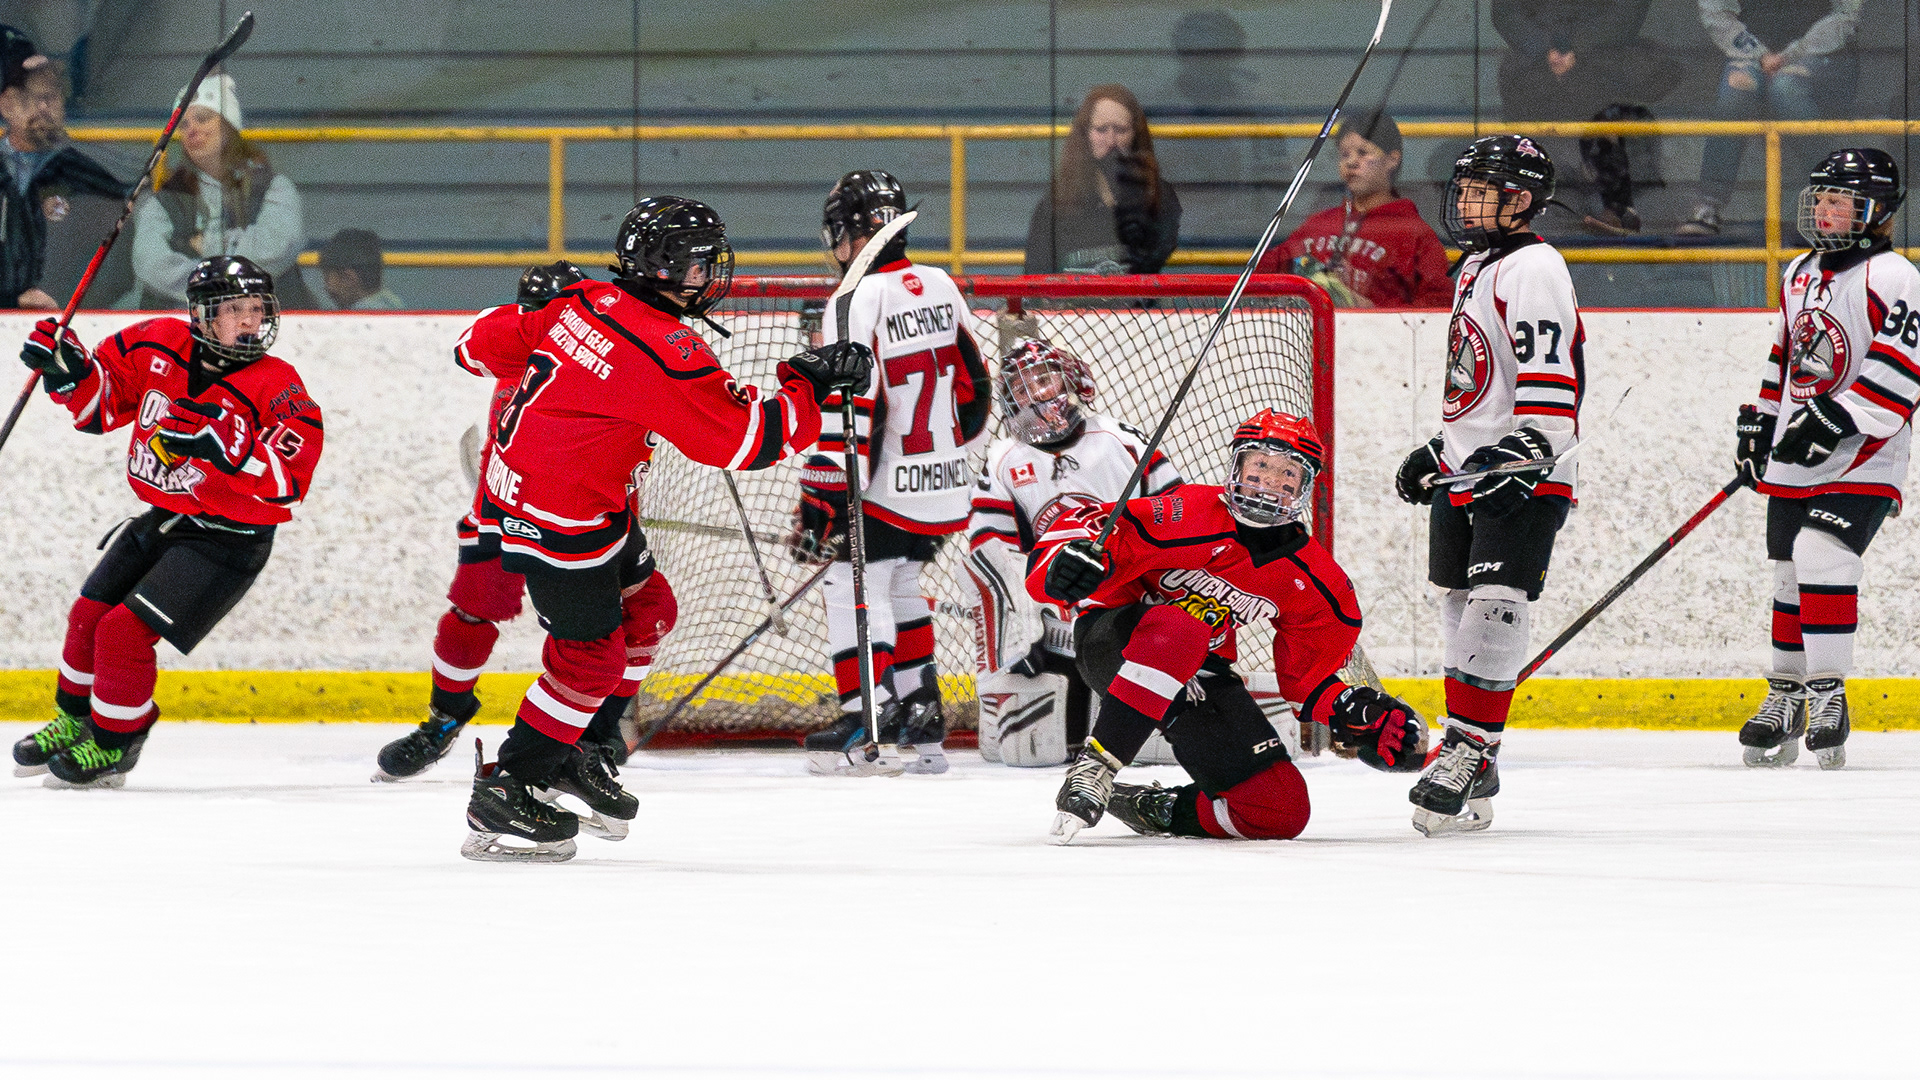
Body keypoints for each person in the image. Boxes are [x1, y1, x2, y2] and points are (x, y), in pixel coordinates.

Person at [451, 195, 870, 862]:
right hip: (560, 518)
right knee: (591, 661)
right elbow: (747, 441)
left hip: (569, 499)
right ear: (674, 270)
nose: (712, 276)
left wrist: (536, 307)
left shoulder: (580, 300)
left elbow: (471, 347)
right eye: (705, 264)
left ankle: (575, 751)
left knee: (650, 610)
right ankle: (511, 784)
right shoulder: (660, 347)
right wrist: (808, 381)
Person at [1028, 409, 1422, 844]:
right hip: (1117, 642)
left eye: (1288, 472)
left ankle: (1155, 808)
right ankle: (1096, 769)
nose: (1271, 480)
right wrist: (1068, 561)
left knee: (1278, 808)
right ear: (1237, 466)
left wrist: (1355, 710)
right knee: (1184, 625)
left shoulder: (1315, 580)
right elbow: (1086, 525)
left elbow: (1306, 679)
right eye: (1261, 464)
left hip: (1200, 674)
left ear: (1305, 487)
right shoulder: (1189, 510)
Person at [9, 256, 324, 787]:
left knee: (122, 635)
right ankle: (75, 718)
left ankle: (116, 741)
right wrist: (67, 370)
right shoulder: (155, 341)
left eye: (257, 309)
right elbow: (99, 406)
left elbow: (288, 484)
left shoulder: (280, 385)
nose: (250, 321)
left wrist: (232, 453)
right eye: (235, 309)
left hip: (229, 538)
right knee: (87, 616)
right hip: (166, 517)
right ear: (201, 315)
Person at [370, 260, 680, 782]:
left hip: (578, 519)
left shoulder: (599, 359)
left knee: (648, 612)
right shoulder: (525, 355)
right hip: (503, 510)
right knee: (473, 612)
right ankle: (445, 719)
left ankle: (598, 730)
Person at [1392, 135, 1583, 837]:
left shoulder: (1534, 266)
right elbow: (1481, 379)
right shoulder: (1478, 263)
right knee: (1460, 598)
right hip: (1470, 465)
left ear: (1522, 200)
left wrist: (1527, 454)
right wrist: (1442, 448)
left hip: (1521, 466)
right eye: (1464, 188)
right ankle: (1477, 748)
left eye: (1481, 190)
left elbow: (1549, 375)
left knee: (1495, 600)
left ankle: (1469, 747)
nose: (1464, 202)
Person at [793, 169, 991, 777]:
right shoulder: (939, 283)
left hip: (882, 480)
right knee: (902, 583)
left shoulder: (852, 299)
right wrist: (952, 461)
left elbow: (858, 406)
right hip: (941, 479)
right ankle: (922, 714)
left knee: (850, 585)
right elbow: (975, 384)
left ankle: (866, 716)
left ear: (855, 233)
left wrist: (826, 495)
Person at [1731, 149, 1914, 771]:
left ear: (1878, 211)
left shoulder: (1895, 277)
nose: (1826, 210)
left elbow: (1902, 368)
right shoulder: (1800, 272)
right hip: (1798, 450)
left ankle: (1828, 692)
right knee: (1788, 571)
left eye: (1842, 200)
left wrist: (1842, 417)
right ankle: (1786, 693)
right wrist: (1760, 420)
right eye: (1822, 198)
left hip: (1866, 452)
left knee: (1821, 554)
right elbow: (1785, 355)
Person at [966, 337, 1183, 766]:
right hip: (1052, 620)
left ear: (1072, 381)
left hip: (1125, 605)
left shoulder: (1120, 441)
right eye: (1021, 389)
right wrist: (1021, 624)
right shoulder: (1004, 458)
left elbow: (1176, 517)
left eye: (1043, 380)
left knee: (1134, 743)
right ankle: (1006, 677)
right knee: (1043, 751)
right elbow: (990, 547)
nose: (1034, 396)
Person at [1490, 1, 1682, 235]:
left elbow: (1627, 11)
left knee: (1652, 218)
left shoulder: (1623, 81)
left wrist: (1569, 50)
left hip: (1604, 63)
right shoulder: (1524, 82)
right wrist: (1549, 50)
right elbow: (1506, 13)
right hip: (1556, 181)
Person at [127, 74, 316, 310]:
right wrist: (218, 288)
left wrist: (208, 246)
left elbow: (277, 248)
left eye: (203, 119)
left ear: (229, 125)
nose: (192, 130)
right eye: (184, 124)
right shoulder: (164, 199)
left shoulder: (272, 186)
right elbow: (150, 264)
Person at [1676, 2, 1863, 237]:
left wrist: (1791, 54)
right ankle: (1708, 205)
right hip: (1753, 52)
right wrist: (1760, 54)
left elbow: (1845, 16)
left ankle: (1832, 196)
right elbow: (1717, 12)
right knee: (1738, 89)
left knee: (1786, 88)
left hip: (1825, 52)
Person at [1254, 111, 1451, 308]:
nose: (1351, 162)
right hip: (1314, 336)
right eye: (1344, 155)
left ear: (1392, 159)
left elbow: (1438, 306)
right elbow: (1263, 272)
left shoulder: (1413, 233)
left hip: (1377, 338)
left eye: (1363, 153)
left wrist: (1375, 312)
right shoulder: (1319, 223)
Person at [0, 31, 124, 309]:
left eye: (52, 97)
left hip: (66, 326)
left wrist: (69, 303)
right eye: (32, 97)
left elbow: (118, 262)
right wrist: (11, 302)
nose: (44, 107)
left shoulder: (88, 177)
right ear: (7, 103)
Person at [1024, 85, 1182, 276]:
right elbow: (1036, 275)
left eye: (1121, 130)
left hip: (1138, 305)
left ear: (1135, 135)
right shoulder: (1059, 200)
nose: (1111, 141)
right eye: (1101, 130)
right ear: (1086, 135)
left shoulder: (1160, 197)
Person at [317, 228, 404, 310]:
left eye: (327, 277)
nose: (326, 288)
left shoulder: (357, 317)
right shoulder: (393, 303)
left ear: (348, 277)